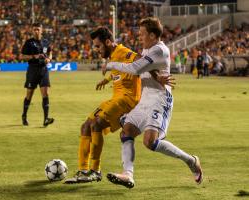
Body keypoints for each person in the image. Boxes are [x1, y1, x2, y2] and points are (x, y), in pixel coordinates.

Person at [103, 17, 203, 189]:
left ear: (151, 35)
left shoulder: (159, 50)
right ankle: (128, 175)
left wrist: (110, 64)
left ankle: (191, 161)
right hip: (146, 98)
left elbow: (136, 68)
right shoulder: (147, 48)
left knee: (150, 142)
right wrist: (157, 75)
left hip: (160, 99)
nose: (139, 37)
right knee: (126, 131)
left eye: (142, 34)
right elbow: (146, 69)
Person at [64, 26, 172, 184]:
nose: (96, 50)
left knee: (97, 124)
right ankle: (84, 170)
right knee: (86, 126)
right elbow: (119, 71)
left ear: (108, 42)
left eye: (98, 46)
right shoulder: (113, 55)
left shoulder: (123, 51)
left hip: (127, 100)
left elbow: (139, 60)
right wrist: (106, 80)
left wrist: (157, 77)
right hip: (116, 98)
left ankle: (94, 171)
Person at [21, 23, 54, 127]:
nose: (36, 31)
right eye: (34, 29)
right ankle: (24, 116)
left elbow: (50, 52)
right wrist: (34, 56)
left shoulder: (46, 42)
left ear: (41, 30)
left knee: (46, 94)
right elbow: (22, 56)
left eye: (38, 29)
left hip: (43, 70)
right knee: (29, 95)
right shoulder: (29, 43)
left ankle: (45, 119)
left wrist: (49, 59)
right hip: (33, 70)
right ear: (32, 31)